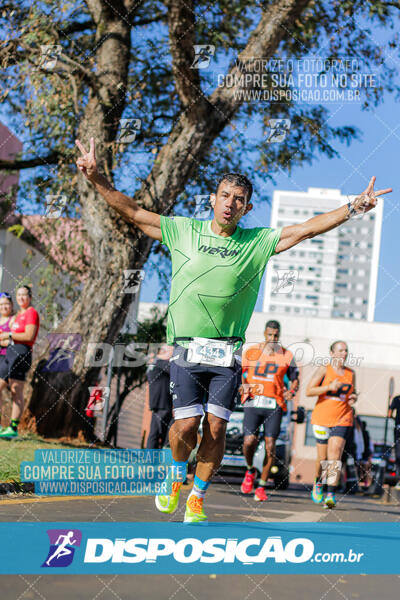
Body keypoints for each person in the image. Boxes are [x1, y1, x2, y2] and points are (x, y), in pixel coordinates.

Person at [75, 135, 391, 523]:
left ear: (247, 207)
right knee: (187, 424)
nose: (230, 203)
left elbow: (306, 229)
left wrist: (353, 208)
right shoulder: (183, 231)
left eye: (239, 199)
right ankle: (176, 476)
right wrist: (96, 178)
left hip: (226, 352)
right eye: (225, 195)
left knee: (218, 426)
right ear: (213, 198)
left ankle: (197, 497)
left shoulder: (254, 243)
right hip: (187, 349)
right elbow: (136, 213)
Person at [240, 320, 299, 501]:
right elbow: (241, 374)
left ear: (279, 336)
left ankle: (262, 486)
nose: (273, 339)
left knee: (270, 446)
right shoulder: (251, 352)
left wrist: (292, 390)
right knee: (249, 441)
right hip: (253, 402)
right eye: (270, 335)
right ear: (264, 334)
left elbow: (295, 378)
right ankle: (250, 470)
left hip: (274, 404)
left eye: (276, 336)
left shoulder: (287, 355)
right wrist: (244, 387)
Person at [306, 341, 358, 508]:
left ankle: (331, 493)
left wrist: (353, 397)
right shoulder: (324, 369)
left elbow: (352, 392)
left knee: (335, 455)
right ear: (332, 353)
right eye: (340, 350)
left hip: (343, 417)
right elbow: (309, 391)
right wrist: (329, 386)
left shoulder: (351, 373)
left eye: (346, 350)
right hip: (322, 418)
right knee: (323, 459)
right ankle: (318, 481)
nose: (344, 353)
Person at [0, 286, 40, 439]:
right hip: (9, 353)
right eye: (18, 295)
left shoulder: (31, 313)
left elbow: (29, 336)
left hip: (21, 352)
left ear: (29, 297)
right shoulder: (18, 314)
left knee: (16, 390)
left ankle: (13, 428)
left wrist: (8, 335)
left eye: (24, 295)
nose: (21, 298)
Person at [146, 344, 174, 450]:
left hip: (159, 403)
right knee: (157, 432)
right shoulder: (161, 363)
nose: (173, 353)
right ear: (163, 352)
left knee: (159, 431)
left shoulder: (155, 363)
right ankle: (151, 458)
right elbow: (175, 371)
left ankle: (154, 458)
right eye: (171, 350)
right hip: (162, 403)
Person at [0, 292, 15, 431]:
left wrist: (5, 340)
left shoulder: (14, 320)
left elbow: (16, 340)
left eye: (6, 304)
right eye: (1, 304)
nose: (4, 307)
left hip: (7, 359)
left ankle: (12, 427)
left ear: (11, 305)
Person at [388, 391, 400, 489]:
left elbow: (389, 414)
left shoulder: (397, 398)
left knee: (398, 456)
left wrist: (395, 419)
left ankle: (398, 480)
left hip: (398, 429)